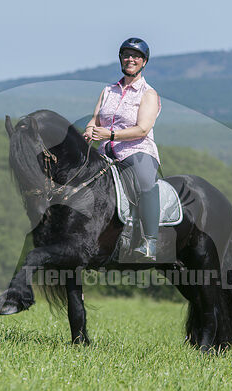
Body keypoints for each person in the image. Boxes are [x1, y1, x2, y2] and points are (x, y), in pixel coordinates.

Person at [83, 37, 161, 261]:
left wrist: (112, 134)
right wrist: (90, 130)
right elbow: (95, 119)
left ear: (144, 62)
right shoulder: (108, 91)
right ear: (121, 58)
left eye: (136, 56)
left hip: (136, 151)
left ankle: (149, 242)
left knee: (146, 183)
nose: (130, 59)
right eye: (126, 55)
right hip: (104, 153)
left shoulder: (148, 94)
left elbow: (143, 129)